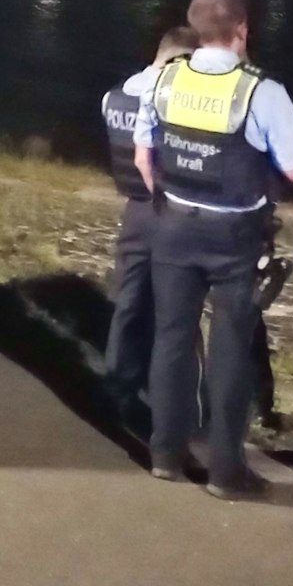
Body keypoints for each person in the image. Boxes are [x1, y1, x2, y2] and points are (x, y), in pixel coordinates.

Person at [133, 0, 293, 500]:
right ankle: (225, 471)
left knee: (171, 338)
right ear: (243, 31)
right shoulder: (261, 91)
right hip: (233, 234)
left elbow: (145, 155)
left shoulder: (164, 78)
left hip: (172, 225)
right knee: (230, 347)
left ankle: (165, 454)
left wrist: (171, 200)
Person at [101, 26, 200, 430]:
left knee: (128, 304)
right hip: (173, 212)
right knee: (176, 314)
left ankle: (117, 390)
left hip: (134, 213)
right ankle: (178, 409)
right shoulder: (173, 102)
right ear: (179, 61)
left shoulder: (115, 96)